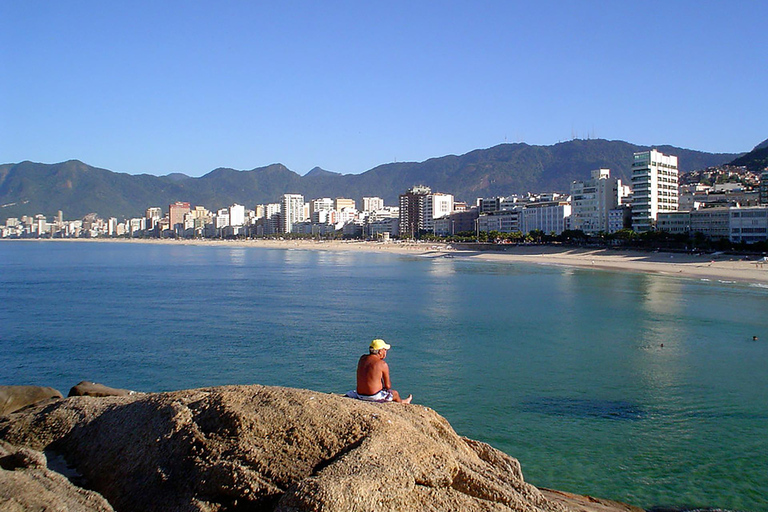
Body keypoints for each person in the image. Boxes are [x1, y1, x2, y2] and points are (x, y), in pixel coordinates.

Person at [348, 339, 412, 403]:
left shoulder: (362, 358)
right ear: (380, 351)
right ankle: (403, 402)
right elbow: (388, 386)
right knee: (395, 393)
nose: (386, 352)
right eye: (385, 350)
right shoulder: (382, 364)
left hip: (360, 395)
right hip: (373, 396)